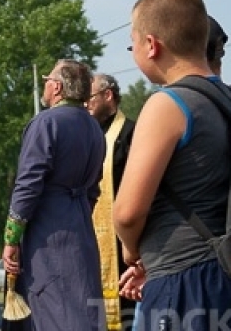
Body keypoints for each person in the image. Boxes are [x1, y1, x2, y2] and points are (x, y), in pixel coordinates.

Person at [114, 0, 231, 329]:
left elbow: (128, 212)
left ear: (151, 45)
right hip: (222, 273)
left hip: (183, 283)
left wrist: (132, 252)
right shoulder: (225, 99)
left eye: (132, 42)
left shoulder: (167, 104)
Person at [2, 59, 106, 330]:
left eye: (47, 80)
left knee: (51, 312)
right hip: (81, 230)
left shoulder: (46, 123)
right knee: (82, 307)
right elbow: (94, 188)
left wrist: (11, 240)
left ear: (57, 87)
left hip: (47, 236)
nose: (45, 85)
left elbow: (28, 184)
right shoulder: (95, 128)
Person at [87, 73, 136, 330]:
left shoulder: (132, 133)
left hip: (125, 250)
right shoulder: (86, 137)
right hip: (91, 247)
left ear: (108, 96)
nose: (86, 103)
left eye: (91, 97)